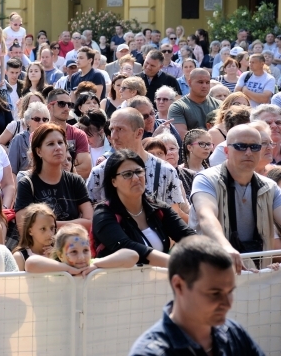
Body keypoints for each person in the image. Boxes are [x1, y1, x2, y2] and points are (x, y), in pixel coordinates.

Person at [129, 235, 265, 356]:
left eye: (230, 292)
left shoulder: (234, 333)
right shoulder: (150, 352)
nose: (228, 304)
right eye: (215, 293)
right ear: (179, 286)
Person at [189, 124, 281, 272]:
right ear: (226, 151)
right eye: (241, 146)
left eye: (255, 147)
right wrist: (225, 246)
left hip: (258, 280)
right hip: (211, 274)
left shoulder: (270, 187)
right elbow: (206, 216)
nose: (249, 152)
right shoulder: (205, 179)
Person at [92, 150, 195, 267]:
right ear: (113, 181)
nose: (136, 178)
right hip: (119, 284)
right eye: (127, 174)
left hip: (159, 282)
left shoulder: (158, 208)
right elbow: (129, 249)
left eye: (139, 171)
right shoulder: (103, 214)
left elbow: (189, 237)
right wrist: (176, 265)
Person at [87, 108, 189, 220]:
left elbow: (172, 218)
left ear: (139, 133)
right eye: (112, 129)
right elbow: (92, 219)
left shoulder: (165, 170)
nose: (114, 136)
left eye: (120, 129)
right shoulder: (99, 172)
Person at [14, 123, 93, 228]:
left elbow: (90, 222)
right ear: (39, 151)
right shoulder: (27, 184)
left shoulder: (76, 181)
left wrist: (46, 226)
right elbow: (23, 227)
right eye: (51, 144)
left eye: (60, 142)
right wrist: (76, 224)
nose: (58, 148)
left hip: (72, 243)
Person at [24, 223, 138, 276]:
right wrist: (67, 269)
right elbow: (30, 263)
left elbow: (132, 256)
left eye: (85, 250)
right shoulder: (56, 269)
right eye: (73, 252)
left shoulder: (93, 265)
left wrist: (97, 264)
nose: (82, 257)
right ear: (60, 255)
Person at [45, 89, 92, 179]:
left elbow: (86, 169)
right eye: (61, 104)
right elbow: (37, 167)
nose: (67, 108)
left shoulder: (79, 134)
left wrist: (53, 169)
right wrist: (72, 164)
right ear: (49, 106)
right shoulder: (38, 135)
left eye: (69, 105)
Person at [168, 68, 220, 139]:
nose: (204, 86)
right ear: (189, 83)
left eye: (207, 82)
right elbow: (182, 135)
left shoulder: (220, 105)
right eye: (200, 82)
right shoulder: (178, 107)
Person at [12, 203, 57, 271]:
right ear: (30, 231)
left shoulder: (59, 255)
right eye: (43, 229)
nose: (50, 234)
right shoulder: (20, 257)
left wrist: (54, 259)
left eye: (52, 228)